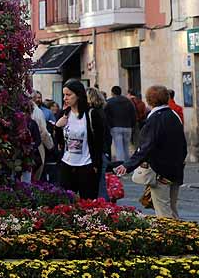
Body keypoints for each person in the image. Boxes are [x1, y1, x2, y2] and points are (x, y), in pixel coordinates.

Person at [116, 85, 188, 219]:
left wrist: (128, 165)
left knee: (163, 211)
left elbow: (146, 147)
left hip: (160, 171)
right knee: (172, 209)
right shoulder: (174, 115)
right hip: (175, 170)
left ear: (149, 100)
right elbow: (183, 145)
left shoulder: (154, 119)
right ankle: (180, 236)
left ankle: (168, 238)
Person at [52, 79, 108, 200]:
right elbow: (59, 142)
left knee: (87, 202)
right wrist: (57, 127)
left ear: (78, 95)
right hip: (67, 163)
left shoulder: (91, 114)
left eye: (68, 95)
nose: (65, 98)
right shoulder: (63, 114)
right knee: (65, 202)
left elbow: (99, 142)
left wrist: (96, 164)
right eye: (64, 95)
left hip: (86, 165)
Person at [105, 86, 137, 164]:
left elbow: (106, 115)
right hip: (127, 126)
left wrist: (109, 126)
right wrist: (132, 125)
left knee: (119, 148)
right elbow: (133, 114)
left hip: (115, 126)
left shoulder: (109, 102)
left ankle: (120, 166)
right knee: (126, 147)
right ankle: (127, 165)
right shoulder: (128, 101)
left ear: (112, 93)